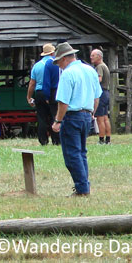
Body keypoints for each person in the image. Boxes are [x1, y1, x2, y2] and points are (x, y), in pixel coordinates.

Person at [51, 42, 102, 196]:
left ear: (64, 59)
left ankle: (82, 188)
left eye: (58, 62)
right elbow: (97, 96)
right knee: (81, 152)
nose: (59, 66)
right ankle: (84, 185)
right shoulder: (90, 70)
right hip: (87, 115)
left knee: (72, 154)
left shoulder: (68, 73)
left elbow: (63, 102)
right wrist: (92, 113)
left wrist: (58, 121)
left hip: (72, 116)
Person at [27, 43, 59, 145]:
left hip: (40, 92)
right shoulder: (55, 64)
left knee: (41, 117)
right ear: (52, 53)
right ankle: (56, 139)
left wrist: (29, 97)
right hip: (52, 91)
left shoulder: (37, 65)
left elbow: (32, 83)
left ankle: (43, 140)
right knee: (54, 116)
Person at [91, 49, 112, 144]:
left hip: (101, 93)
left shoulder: (99, 67)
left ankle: (101, 140)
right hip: (106, 93)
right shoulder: (105, 66)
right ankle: (108, 139)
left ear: (99, 56)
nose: (91, 57)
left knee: (100, 119)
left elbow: (99, 79)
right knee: (105, 117)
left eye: (93, 55)